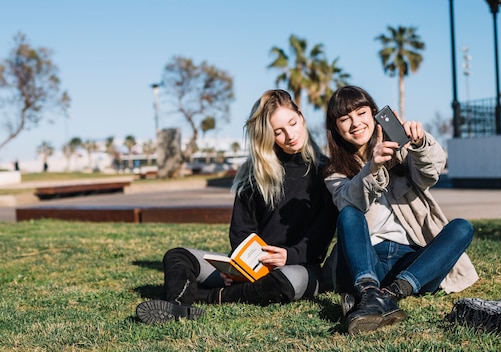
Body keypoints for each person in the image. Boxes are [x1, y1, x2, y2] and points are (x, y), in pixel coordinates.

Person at [136, 89, 338, 324]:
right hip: (251, 267)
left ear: (301, 117)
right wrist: (238, 267)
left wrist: (288, 256)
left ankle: (209, 296)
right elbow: (241, 231)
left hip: (297, 267)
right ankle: (178, 306)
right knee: (178, 256)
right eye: (278, 132)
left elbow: (321, 236)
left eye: (293, 123)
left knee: (287, 282)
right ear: (267, 136)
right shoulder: (256, 174)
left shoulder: (327, 172)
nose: (290, 135)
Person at [324, 86, 479, 334]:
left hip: (413, 262)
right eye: (344, 119)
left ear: (374, 114)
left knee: (461, 227)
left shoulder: (403, 150)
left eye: (361, 113)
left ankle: (387, 294)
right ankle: (370, 290)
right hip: (365, 262)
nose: (355, 123)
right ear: (336, 129)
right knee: (349, 213)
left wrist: (421, 143)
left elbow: (431, 174)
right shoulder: (335, 172)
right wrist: (372, 168)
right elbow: (349, 203)